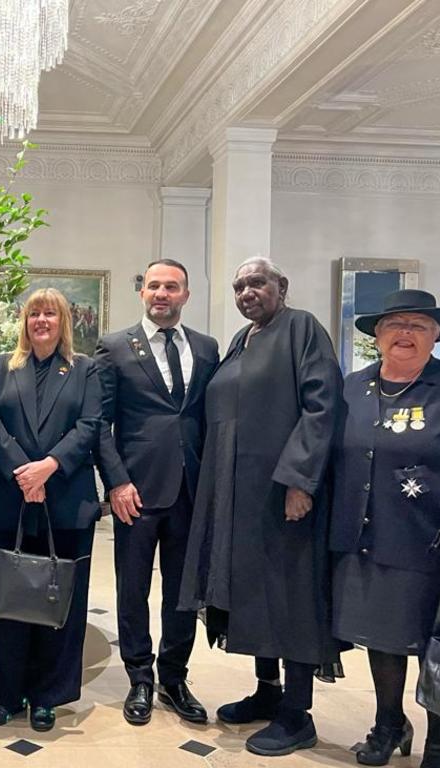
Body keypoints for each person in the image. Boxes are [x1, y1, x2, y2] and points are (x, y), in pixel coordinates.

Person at [330, 289, 440, 768]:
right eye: (395, 324)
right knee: (381, 637)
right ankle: (389, 724)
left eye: (418, 326)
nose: (405, 333)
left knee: (439, 640)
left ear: (435, 337)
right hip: (366, 536)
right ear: (378, 336)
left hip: (434, 540)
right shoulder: (353, 387)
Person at [179, 257, 343, 756]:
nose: (247, 292)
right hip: (235, 490)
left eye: (257, 283)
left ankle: (298, 713)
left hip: (281, 492)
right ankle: (267, 692)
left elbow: (322, 406)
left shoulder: (302, 329)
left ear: (281, 286)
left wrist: (300, 481)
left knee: (287, 592)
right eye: (239, 286)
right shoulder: (241, 340)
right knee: (251, 590)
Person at [94, 259, 219, 726]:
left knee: (183, 593)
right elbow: (98, 425)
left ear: (186, 295)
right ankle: (140, 678)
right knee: (133, 588)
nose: (162, 293)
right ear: (141, 292)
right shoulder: (114, 348)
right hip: (137, 491)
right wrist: (117, 482)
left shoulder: (207, 349)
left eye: (172, 286)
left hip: (192, 488)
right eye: (153, 286)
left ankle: (174, 676)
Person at [0, 288, 101, 732]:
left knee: (59, 602)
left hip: (66, 501)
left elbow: (90, 425)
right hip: (8, 500)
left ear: (63, 321)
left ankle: (48, 695)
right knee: (7, 603)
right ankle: (7, 695)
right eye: (34, 314)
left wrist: (48, 468)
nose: (41, 321)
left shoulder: (85, 370)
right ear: (23, 322)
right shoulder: (0, 367)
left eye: (50, 313)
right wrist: (22, 472)